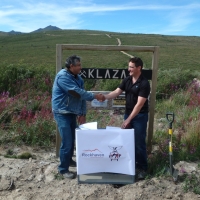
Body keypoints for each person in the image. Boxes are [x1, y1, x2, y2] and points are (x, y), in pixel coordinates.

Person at [52, 55, 105, 179]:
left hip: (72, 112)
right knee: (67, 141)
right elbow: (76, 92)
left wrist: (82, 114)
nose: (81, 67)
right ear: (71, 66)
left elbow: (81, 98)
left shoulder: (78, 78)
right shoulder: (63, 77)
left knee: (73, 138)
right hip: (62, 112)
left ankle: (69, 160)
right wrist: (95, 96)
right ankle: (63, 169)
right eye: (78, 65)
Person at [104, 57, 150, 180]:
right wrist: (104, 97)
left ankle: (142, 168)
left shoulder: (144, 83)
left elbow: (139, 105)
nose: (129, 69)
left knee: (139, 142)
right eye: (129, 66)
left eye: (131, 67)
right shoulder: (127, 80)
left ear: (139, 68)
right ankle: (128, 164)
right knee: (126, 141)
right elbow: (117, 92)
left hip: (139, 116)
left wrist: (128, 119)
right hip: (128, 114)